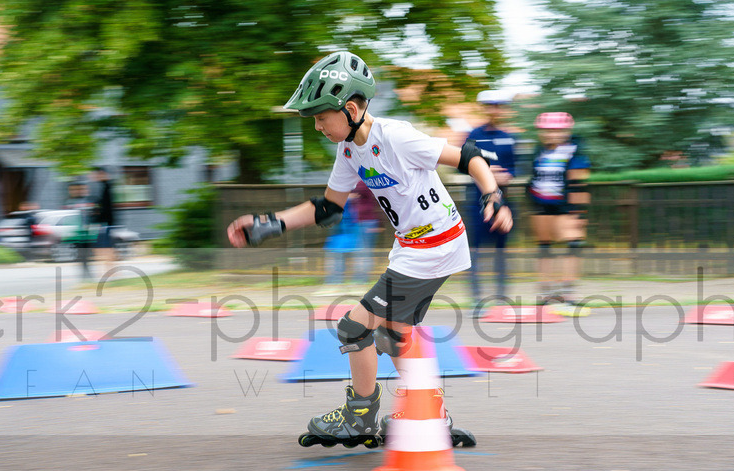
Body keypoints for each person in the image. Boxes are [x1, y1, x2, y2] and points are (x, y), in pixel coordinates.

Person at [226, 51, 512, 446]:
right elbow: (328, 207)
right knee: (394, 334)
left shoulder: (396, 137)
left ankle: (360, 415)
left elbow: (468, 155)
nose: (317, 126)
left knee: (355, 326)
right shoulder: (349, 151)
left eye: (321, 116)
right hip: (414, 248)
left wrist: (492, 195)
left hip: (436, 246)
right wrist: (269, 224)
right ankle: (429, 413)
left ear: (351, 108)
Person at [526, 111, 591, 305]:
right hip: (540, 204)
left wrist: (579, 212)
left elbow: (579, 183)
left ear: (566, 131)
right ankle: (546, 293)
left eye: (556, 131)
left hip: (565, 206)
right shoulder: (539, 151)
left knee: (573, 245)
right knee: (544, 247)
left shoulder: (575, 151)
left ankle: (568, 293)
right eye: (547, 131)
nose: (551, 135)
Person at [464, 90, 517, 314]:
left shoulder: (510, 137)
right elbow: (464, 164)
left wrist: (506, 176)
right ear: (484, 108)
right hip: (477, 201)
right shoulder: (473, 135)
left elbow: (514, 169)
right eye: (490, 106)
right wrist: (484, 173)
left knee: (501, 251)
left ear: (503, 109)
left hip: (503, 203)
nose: (494, 110)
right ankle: (476, 300)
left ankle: (502, 298)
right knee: (475, 251)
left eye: (499, 106)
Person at [90, 167, 117, 272]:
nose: (94, 177)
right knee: (106, 247)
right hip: (106, 222)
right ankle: (110, 270)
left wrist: (96, 217)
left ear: (102, 174)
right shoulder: (105, 187)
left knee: (105, 247)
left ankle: (110, 270)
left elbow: (106, 208)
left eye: (97, 174)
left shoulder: (107, 187)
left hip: (106, 223)